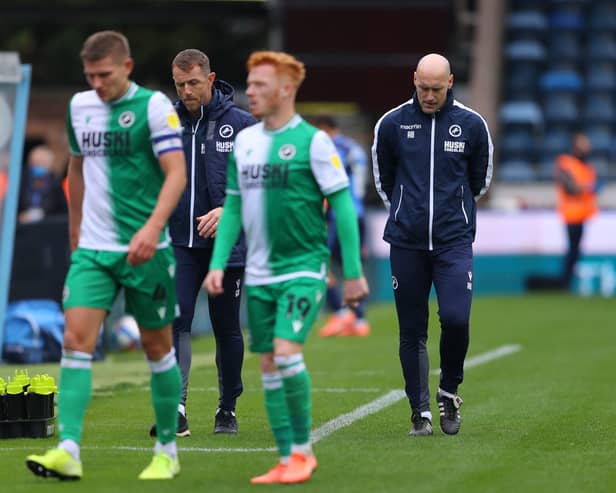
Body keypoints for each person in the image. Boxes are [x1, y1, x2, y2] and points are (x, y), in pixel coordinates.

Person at [25, 30, 187, 480]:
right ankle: (69, 449)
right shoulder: (80, 107)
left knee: (157, 348)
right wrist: (76, 236)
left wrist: (153, 229)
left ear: (127, 68)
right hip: (93, 251)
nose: (97, 83)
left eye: (105, 75)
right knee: (76, 342)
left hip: (147, 250)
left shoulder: (153, 107)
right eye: (90, 75)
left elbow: (177, 174)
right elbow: (75, 170)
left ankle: (167, 451)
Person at [204, 51, 368, 484]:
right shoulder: (246, 142)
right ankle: (286, 458)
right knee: (269, 367)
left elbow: (344, 208)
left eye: (260, 85)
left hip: (302, 268)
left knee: (285, 353)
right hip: (257, 275)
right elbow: (234, 207)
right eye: (250, 83)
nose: (250, 91)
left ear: (286, 90)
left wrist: (351, 272)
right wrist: (218, 263)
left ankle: (302, 453)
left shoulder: (314, 142)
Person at [372, 53, 493, 437]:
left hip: (453, 241)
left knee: (456, 318)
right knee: (412, 329)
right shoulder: (391, 124)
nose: (428, 96)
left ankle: (449, 391)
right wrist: (407, 211)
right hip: (406, 242)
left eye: (436, 89)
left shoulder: (472, 125)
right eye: (422, 88)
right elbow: (383, 179)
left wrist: (452, 211)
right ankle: (419, 411)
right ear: (414, 81)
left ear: (451, 83)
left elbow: (480, 181)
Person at [148, 49, 256, 439]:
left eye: (193, 83)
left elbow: (257, 186)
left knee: (225, 325)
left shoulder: (243, 125)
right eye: (179, 84)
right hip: (178, 243)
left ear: (210, 80)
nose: (187, 91)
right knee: (174, 321)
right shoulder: (166, 123)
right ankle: (175, 406)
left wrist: (228, 210)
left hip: (226, 247)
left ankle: (227, 408)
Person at [312, 115, 371, 337]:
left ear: (324, 129)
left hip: (339, 213)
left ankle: (340, 312)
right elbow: (360, 184)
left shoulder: (330, 147)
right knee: (351, 265)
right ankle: (358, 319)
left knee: (322, 263)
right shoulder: (353, 147)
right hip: (358, 213)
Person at [554, 132, 598, 289]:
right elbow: (570, 188)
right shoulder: (566, 163)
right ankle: (564, 283)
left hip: (582, 215)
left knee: (575, 251)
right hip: (571, 214)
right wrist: (586, 187)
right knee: (572, 250)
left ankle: (566, 282)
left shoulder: (586, 167)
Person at [18, 144, 68, 223]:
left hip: (45, 229)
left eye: (42, 163)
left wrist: (42, 215)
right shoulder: (19, 183)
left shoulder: (57, 185)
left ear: (50, 166)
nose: (38, 166)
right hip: (22, 229)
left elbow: (62, 213)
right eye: (35, 162)